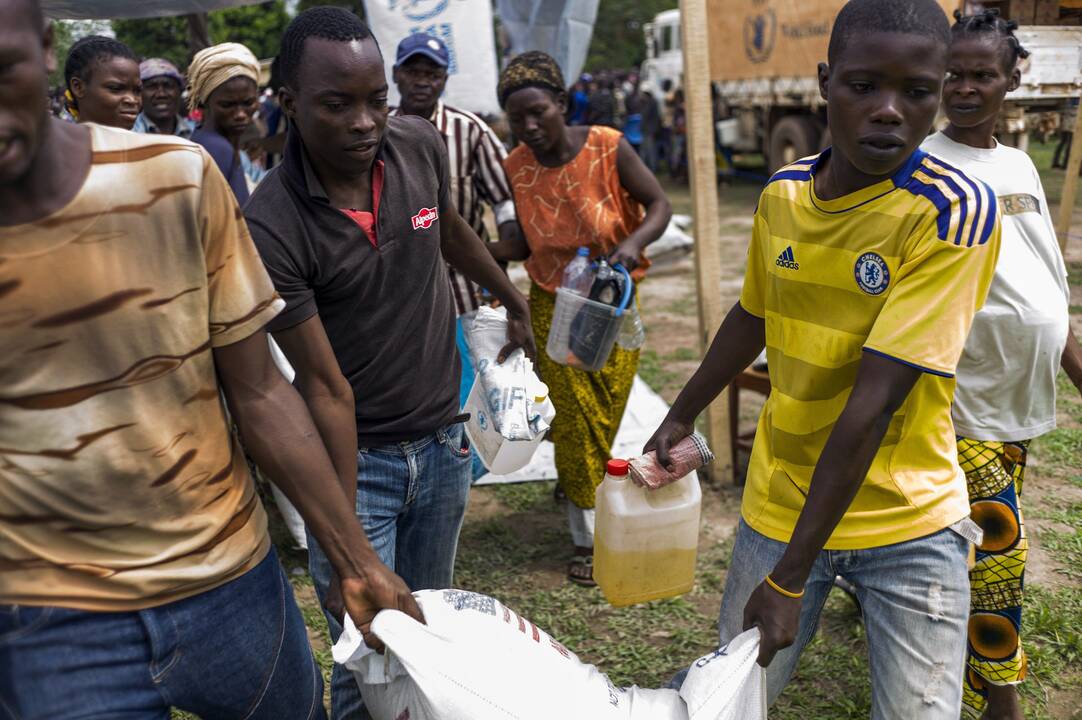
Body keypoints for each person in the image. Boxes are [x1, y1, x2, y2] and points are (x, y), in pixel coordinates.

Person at [0, 1, 422, 717]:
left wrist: (356, 559)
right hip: (48, 629)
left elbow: (259, 391)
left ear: (43, 49)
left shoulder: (173, 179)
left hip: (231, 587)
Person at [646, 0, 1002, 715]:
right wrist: (680, 415)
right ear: (824, 82)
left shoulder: (951, 210)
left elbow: (871, 406)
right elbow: (753, 314)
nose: (890, 111)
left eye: (917, 92)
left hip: (907, 522)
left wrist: (789, 578)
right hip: (779, 503)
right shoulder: (783, 195)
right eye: (864, 85)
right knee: (732, 700)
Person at [243, 9, 535, 718]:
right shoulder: (272, 223)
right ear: (288, 99)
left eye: (375, 100)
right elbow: (324, 387)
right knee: (365, 651)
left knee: (426, 637)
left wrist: (511, 296)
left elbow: (451, 230)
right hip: (357, 466)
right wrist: (343, 538)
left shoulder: (417, 144)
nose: (365, 123)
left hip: (443, 447)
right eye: (337, 105)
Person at [921, 10, 1082, 719]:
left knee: (959, 541)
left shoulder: (1017, 164)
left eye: (981, 74)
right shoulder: (921, 167)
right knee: (1000, 550)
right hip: (957, 399)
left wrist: (1072, 360)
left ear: (1013, 80)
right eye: (952, 74)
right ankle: (1001, 698)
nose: (964, 87)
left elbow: (1042, 283)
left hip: (1014, 399)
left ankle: (888, 612)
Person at [488, 51, 671, 585]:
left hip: (612, 298)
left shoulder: (607, 147)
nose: (529, 127)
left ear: (562, 104)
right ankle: (588, 537)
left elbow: (658, 204)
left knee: (606, 407)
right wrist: (476, 249)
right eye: (517, 119)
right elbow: (521, 241)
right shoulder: (513, 167)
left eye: (539, 112)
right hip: (552, 304)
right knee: (575, 418)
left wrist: (633, 243)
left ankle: (576, 474)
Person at [390, 32, 522, 411]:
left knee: (471, 397)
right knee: (415, 393)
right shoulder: (377, 132)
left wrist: (500, 252)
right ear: (397, 75)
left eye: (432, 74)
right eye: (413, 71)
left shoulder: (471, 133)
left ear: (445, 79)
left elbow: (504, 204)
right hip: (402, 293)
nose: (422, 81)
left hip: (465, 293)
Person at [187, 42, 260, 204]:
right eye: (227, 105)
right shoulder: (217, 149)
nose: (240, 114)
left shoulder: (210, 141)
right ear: (203, 103)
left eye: (248, 103)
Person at [62, 34, 140, 129]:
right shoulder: (55, 143)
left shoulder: (152, 143)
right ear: (78, 87)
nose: (132, 100)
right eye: (115, 88)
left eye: (137, 91)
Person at [133, 58, 195, 138]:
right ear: (139, 94)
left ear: (179, 91)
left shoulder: (195, 131)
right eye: (152, 87)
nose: (161, 94)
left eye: (168, 86)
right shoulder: (128, 132)